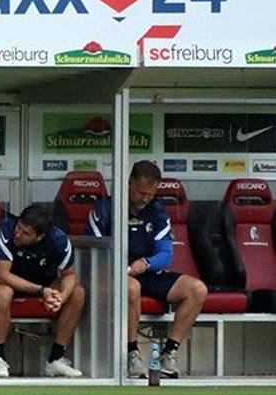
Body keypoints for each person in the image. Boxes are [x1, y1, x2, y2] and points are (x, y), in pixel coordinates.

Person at [88, 160, 209, 379]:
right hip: (114, 274)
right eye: (142, 192)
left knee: (197, 289)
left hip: (148, 272)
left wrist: (146, 264)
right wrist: (119, 269)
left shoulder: (157, 211)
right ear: (130, 184)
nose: (145, 198)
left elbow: (165, 254)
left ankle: (169, 355)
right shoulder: (105, 209)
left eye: (150, 194)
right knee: (131, 287)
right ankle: (132, 354)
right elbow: (94, 252)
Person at [0, 206, 86, 378]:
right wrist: (41, 291)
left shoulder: (58, 239)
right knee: (4, 292)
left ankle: (56, 358)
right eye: (19, 227)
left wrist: (61, 298)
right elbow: (3, 275)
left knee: (77, 293)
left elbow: (69, 275)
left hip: (39, 283)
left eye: (26, 233)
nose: (18, 234)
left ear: (40, 237)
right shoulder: (6, 229)